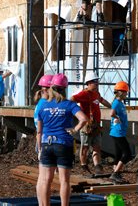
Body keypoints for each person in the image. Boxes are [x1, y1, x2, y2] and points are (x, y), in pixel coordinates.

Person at [36, 73, 88, 206]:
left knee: (46, 180)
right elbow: (84, 119)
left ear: (51, 88)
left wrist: (40, 149)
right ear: (65, 89)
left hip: (47, 143)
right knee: (64, 180)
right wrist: (75, 129)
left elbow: (39, 131)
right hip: (63, 143)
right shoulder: (69, 105)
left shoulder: (42, 106)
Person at [70, 72, 111, 175]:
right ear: (88, 83)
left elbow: (102, 101)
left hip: (96, 125)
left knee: (97, 146)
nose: (97, 84)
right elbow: (72, 100)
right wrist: (76, 111)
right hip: (86, 126)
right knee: (85, 147)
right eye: (95, 82)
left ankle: (97, 166)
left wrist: (112, 106)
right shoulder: (83, 94)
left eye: (97, 82)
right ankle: (84, 166)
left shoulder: (96, 94)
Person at [109, 81, 132, 184]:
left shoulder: (120, 103)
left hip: (119, 132)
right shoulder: (116, 103)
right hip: (117, 132)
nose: (126, 94)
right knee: (127, 154)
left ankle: (115, 174)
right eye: (126, 92)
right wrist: (117, 117)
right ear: (121, 92)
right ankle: (116, 173)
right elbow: (112, 113)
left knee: (118, 154)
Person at [33, 74, 54, 150]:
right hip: (46, 140)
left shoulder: (41, 103)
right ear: (46, 90)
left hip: (42, 139)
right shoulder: (45, 105)